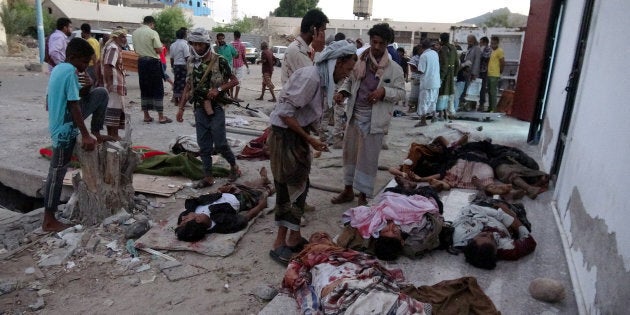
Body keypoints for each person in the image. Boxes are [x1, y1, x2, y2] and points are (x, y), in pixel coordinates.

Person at [268, 40, 357, 265]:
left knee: (299, 186)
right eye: (346, 69)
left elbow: (308, 113)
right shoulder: (311, 77)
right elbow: (286, 113)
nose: (346, 75)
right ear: (337, 63)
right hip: (285, 135)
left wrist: (315, 136)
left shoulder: (322, 79)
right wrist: (310, 139)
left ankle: (294, 236)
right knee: (288, 189)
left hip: (294, 135)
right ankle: (279, 244)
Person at [330, 23, 406, 207]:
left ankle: (363, 195)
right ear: (370, 41)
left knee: (368, 159)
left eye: (381, 43)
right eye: (374, 42)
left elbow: (401, 93)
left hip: (375, 120)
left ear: (387, 43)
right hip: (355, 116)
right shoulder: (360, 61)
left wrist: (384, 92)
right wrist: (342, 93)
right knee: (350, 155)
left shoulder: (395, 69)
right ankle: (348, 191)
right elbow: (350, 81)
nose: (377, 47)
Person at [42, 38, 112, 232]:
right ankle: (48, 218)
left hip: (61, 123)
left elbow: (70, 97)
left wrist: (87, 86)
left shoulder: (59, 69)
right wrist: (86, 134)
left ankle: (98, 130)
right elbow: (73, 106)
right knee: (57, 173)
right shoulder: (70, 74)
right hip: (65, 129)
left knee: (100, 93)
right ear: (72, 57)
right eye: (83, 62)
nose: (84, 67)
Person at [175, 28, 241, 188]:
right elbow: (188, 85)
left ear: (206, 44)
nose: (198, 48)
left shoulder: (219, 61)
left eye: (201, 44)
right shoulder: (190, 61)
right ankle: (208, 176)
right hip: (199, 108)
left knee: (220, 142)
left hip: (216, 107)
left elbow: (234, 80)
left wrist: (218, 90)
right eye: (195, 44)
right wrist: (181, 108)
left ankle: (234, 166)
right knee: (203, 144)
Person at [337, 188, 443, 260]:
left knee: (389, 192)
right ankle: (415, 188)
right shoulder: (416, 232)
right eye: (394, 232)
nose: (391, 227)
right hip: (425, 200)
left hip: (404, 199)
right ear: (402, 241)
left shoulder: (375, 229)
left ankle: (408, 187)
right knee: (431, 195)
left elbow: (364, 214)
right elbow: (433, 217)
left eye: (386, 230)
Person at [175, 167, 274, 241]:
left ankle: (263, 179)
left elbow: (203, 200)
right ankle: (265, 180)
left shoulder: (187, 214)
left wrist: (218, 192)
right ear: (198, 219)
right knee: (261, 192)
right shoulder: (222, 223)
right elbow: (245, 218)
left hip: (223, 193)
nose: (183, 218)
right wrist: (260, 206)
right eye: (185, 220)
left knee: (247, 184)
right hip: (242, 200)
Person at [452, 201, 536, 269]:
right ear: (496, 250)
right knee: (525, 225)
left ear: (471, 241)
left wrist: (500, 213)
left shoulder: (460, 235)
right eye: (493, 239)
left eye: (483, 235)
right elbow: (530, 241)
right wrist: (510, 217)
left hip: (483, 208)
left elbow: (469, 208)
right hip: (505, 218)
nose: (490, 233)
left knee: (493, 200)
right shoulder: (505, 248)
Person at [132, 16, 171, 124]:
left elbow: (135, 49)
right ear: (152, 23)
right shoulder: (152, 32)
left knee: (144, 88)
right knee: (158, 88)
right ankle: (161, 116)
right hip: (153, 62)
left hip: (141, 62)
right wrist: (160, 49)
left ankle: (146, 115)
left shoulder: (135, 33)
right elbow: (158, 50)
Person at [280, 8, 329, 86]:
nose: (323, 34)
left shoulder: (305, 48)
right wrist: (319, 51)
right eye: (322, 30)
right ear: (313, 29)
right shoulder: (297, 50)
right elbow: (314, 79)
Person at [100, 28, 129, 140]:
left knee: (112, 109)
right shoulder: (113, 47)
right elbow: (108, 66)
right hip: (114, 84)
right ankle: (114, 135)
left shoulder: (111, 46)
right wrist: (109, 83)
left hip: (114, 83)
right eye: (123, 36)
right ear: (116, 37)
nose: (125, 39)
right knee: (114, 110)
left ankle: (111, 135)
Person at [411, 40, 441, 126]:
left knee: (424, 101)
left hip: (427, 82)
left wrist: (414, 69)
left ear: (421, 47)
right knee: (433, 100)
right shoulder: (435, 53)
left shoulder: (424, 56)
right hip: (436, 81)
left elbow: (421, 70)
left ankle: (423, 121)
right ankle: (434, 117)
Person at [437, 32, 459, 119]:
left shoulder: (444, 49)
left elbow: (444, 64)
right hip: (452, 73)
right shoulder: (453, 48)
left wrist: (441, 77)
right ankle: (452, 112)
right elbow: (457, 62)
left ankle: (442, 114)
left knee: (443, 94)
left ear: (441, 40)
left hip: (445, 75)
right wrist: (455, 74)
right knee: (451, 93)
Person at [169, 28, 190, 105]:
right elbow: (187, 57)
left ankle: (176, 100)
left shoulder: (173, 45)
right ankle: (182, 101)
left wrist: (172, 67)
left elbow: (171, 58)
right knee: (183, 83)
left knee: (177, 82)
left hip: (176, 65)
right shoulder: (184, 45)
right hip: (183, 65)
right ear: (184, 35)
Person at [230, 30, 250, 102]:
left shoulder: (230, 44)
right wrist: (247, 67)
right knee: (239, 81)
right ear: (240, 36)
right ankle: (236, 97)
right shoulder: (242, 45)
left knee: (232, 80)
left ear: (234, 35)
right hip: (239, 66)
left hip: (232, 65)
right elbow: (244, 57)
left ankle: (231, 96)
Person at [487, 36, 505, 113]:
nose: (492, 44)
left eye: (494, 43)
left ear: (497, 43)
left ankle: (493, 109)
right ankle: (490, 107)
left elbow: (503, 62)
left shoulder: (500, 51)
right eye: (491, 43)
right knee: (489, 92)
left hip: (495, 74)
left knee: (493, 93)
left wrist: (500, 71)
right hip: (489, 74)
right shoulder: (491, 51)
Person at [478, 36, 492, 111]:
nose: (480, 44)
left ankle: (482, 104)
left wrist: (481, 50)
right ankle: (473, 103)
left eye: (481, 43)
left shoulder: (489, 49)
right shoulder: (480, 49)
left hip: (484, 71)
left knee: (482, 88)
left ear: (485, 43)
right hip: (478, 71)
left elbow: (486, 57)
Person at [406, 45, 421, 113]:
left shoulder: (422, 57)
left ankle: (416, 108)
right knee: (414, 93)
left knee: (419, 94)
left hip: (420, 78)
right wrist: (420, 70)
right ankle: (410, 107)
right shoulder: (414, 58)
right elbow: (412, 69)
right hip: (416, 77)